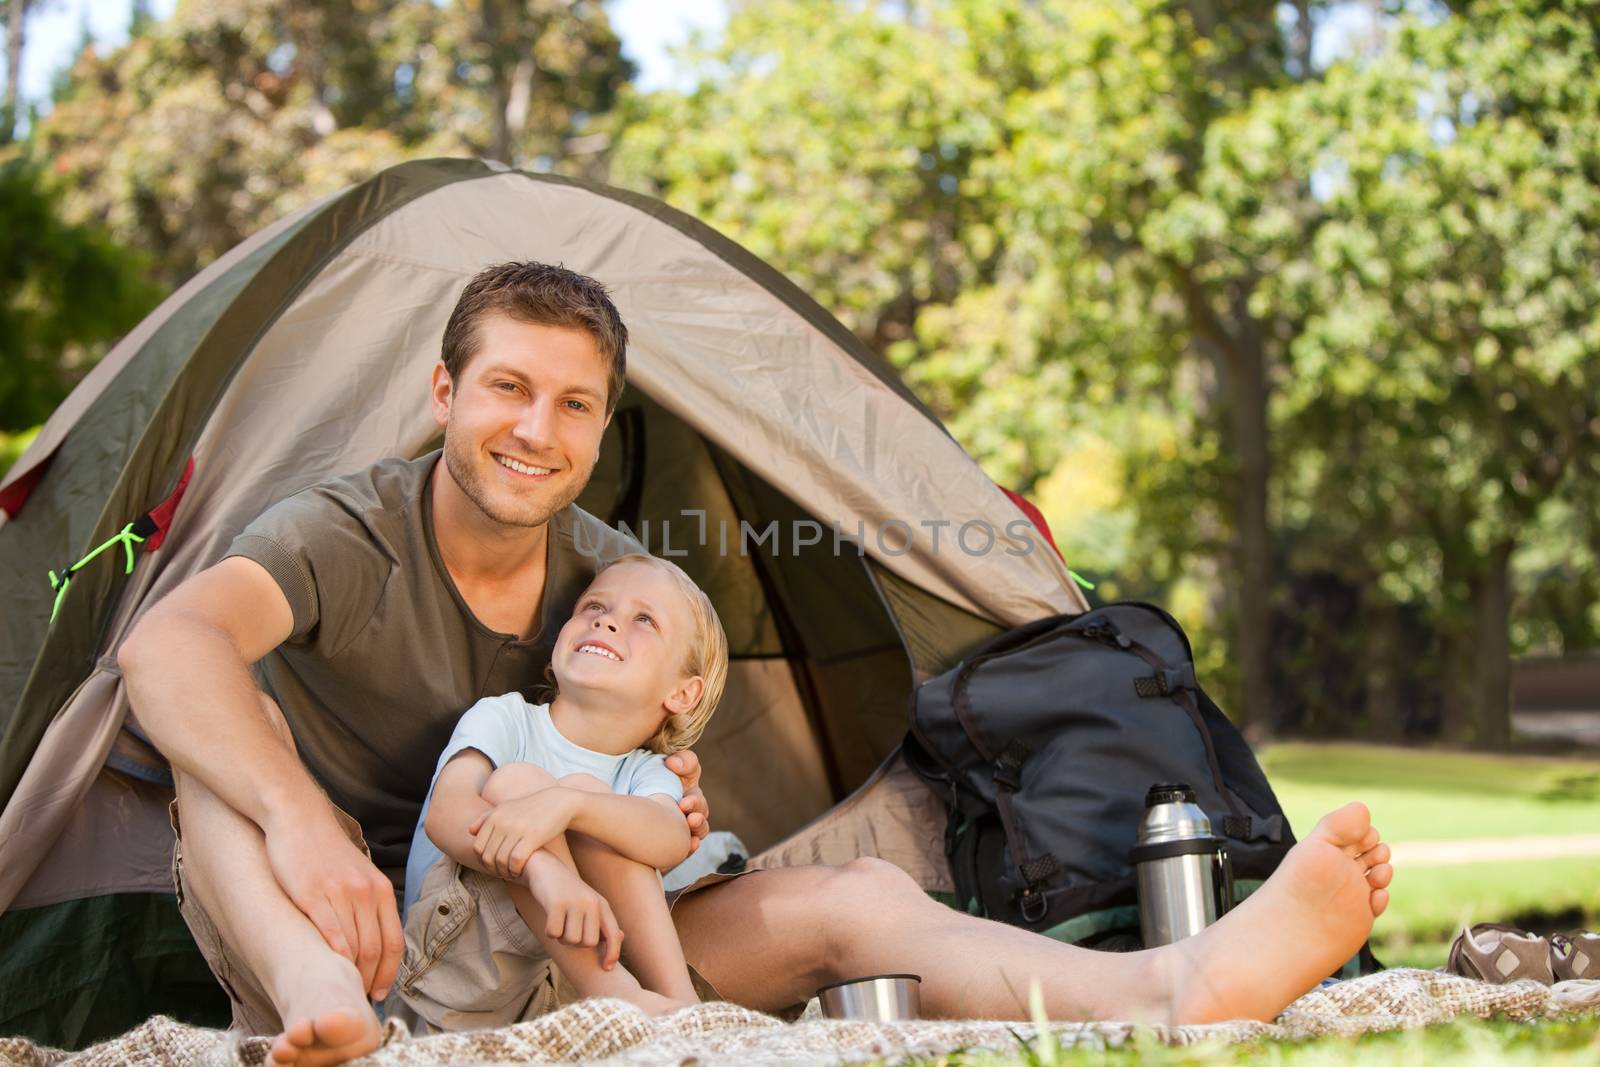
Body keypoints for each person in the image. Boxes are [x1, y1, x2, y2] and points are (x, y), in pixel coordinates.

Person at [120, 261, 1394, 1067]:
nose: (535, 429)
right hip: (364, 935)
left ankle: (1173, 983)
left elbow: (661, 808)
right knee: (219, 755)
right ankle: (324, 1015)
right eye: (507, 387)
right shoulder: (348, 532)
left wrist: (651, 812)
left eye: (573, 404)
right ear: (445, 389)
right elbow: (163, 642)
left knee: (857, 907)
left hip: (575, 941)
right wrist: (306, 826)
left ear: (602, 425)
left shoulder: (616, 581)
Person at [396, 553, 729, 1029]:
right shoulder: (504, 719)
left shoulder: (650, 773)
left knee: (606, 810)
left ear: (682, 693)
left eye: (643, 619)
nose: (607, 622)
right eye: (594, 607)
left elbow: (671, 837)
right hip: (454, 983)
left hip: (563, 993)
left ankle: (679, 1012)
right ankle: (618, 998)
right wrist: (541, 871)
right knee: (519, 782)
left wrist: (570, 804)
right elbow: (446, 815)